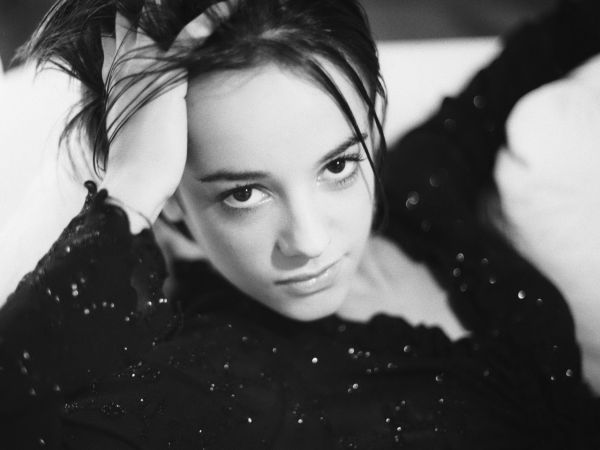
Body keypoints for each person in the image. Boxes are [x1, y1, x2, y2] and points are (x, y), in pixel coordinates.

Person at [1, 0, 599, 448]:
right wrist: (132, 185)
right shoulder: (223, 384)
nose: (311, 241)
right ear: (174, 200)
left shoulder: (419, 194)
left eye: (337, 165)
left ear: (372, 116)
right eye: (244, 193)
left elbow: (545, 44)